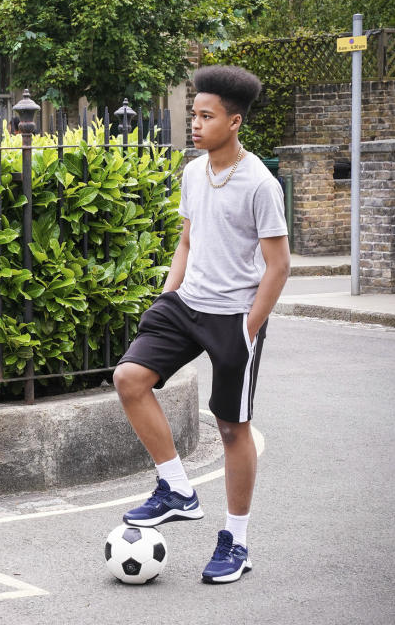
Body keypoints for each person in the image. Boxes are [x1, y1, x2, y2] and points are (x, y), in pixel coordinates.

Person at [112, 65, 290, 584]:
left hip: (234, 316)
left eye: (206, 116)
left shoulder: (260, 183)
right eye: (194, 114)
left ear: (234, 122)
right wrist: (167, 299)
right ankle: (178, 489)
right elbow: (187, 241)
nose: (195, 124)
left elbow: (278, 266)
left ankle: (235, 540)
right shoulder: (194, 172)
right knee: (129, 378)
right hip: (187, 304)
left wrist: (249, 329)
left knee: (233, 428)